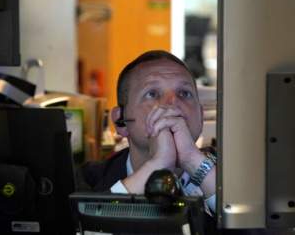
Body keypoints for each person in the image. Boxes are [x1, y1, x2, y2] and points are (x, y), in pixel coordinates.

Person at [82, 50, 216, 213]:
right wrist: (157, 166)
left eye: (184, 93)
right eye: (152, 94)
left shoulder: (230, 175)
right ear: (120, 121)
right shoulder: (88, 179)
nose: (172, 103)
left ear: (200, 116)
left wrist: (192, 160)